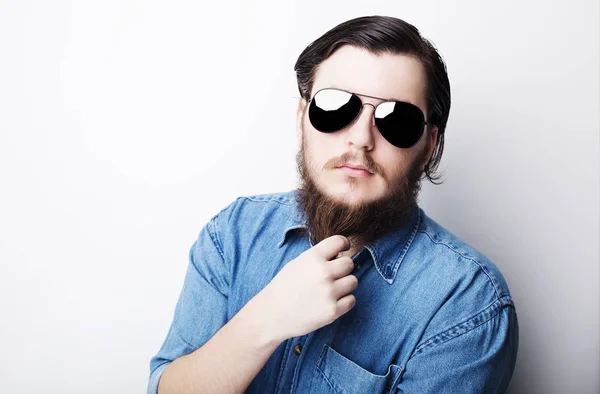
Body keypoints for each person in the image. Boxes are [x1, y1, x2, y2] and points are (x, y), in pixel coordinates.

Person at [147, 15, 519, 394]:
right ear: (300, 119)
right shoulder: (233, 235)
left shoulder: (467, 302)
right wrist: (264, 321)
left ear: (429, 146)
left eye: (398, 119)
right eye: (336, 106)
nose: (360, 139)